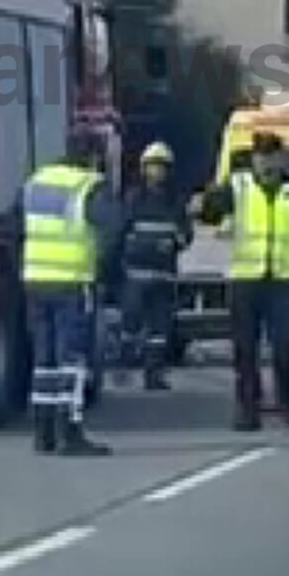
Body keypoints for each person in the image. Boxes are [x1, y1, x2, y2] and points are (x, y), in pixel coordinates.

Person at [196, 130, 289, 431]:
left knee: (284, 348)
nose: (265, 162)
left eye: (271, 156)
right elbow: (211, 212)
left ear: (280, 159)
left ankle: (286, 401)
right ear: (253, 159)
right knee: (245, 349)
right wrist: (205, 201)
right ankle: (248, 409)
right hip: (246, 280)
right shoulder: (239, 187)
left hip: (283, 281)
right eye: (260, 156)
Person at [12, 133, 124, 456]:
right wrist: (103, 270)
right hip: (73, 282)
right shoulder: (90, 186)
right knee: (72, 359)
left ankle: (43, 432)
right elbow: (113, 229)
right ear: (92, 157)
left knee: (43, 360)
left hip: (36, 281)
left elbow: (12, 225)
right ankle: (69, 431)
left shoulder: (36, 183)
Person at [119, 141, 193, 391]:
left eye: (161, 167)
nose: (157, 172)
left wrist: (174, 243)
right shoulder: (133, 198)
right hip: (136, 274)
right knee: (130, 325)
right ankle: (124, 369)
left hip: (164, 274)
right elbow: (121, 229)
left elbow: (185, 234)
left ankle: (154, 375)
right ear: (144, 168)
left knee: (159, 331)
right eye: (152, 166)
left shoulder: (175, 201)